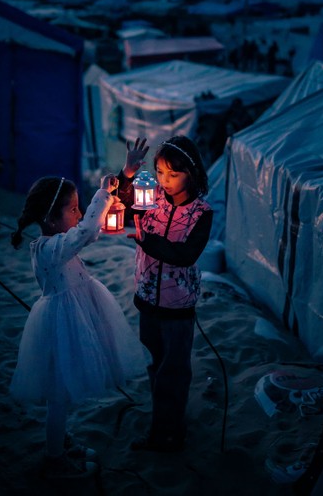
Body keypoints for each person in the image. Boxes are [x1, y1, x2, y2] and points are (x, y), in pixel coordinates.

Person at [9, 175, 144, 479]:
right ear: (50, 218)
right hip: (63, 325)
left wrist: (110, 190)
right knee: (59, 394)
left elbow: (89, 233)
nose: (80, 214)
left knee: (63, 394)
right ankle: (55, 456)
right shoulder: (49, 249)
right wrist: (101, 194)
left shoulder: (58, 243)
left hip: (75, 315)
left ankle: (60, 440)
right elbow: (85, 233)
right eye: (73, 209)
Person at [116, 135, 213, 453]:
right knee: (154, 364)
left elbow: (186, 254)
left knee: (174, 371)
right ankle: (163, 420)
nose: (165, 181)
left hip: (178, 306)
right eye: (160, 172)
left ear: (192, 172)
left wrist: (148, 242)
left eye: (174, 174)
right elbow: (124, 200)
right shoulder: (151, 197)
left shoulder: (201, 213)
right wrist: (128, 173)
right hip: (146, 299)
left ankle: (168, 434)